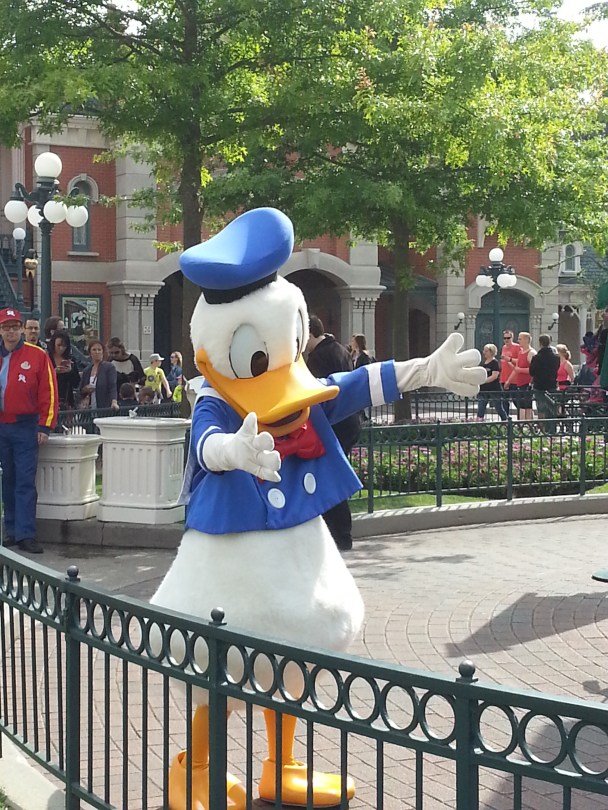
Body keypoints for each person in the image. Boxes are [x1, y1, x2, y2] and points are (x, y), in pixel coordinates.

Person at [0, 307, 58, 554]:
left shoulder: (37, 355)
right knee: (7, 479)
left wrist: (45, 425)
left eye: (15, 327)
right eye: (6, 327)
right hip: (2, 425)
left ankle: (26, 534)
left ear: (22, 329)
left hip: (25, 426)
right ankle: (11, 530)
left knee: (24, 480)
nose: (11, 332)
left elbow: (49, 391)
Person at [306, 315, 361, 551]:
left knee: (329, 477)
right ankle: (338, 533)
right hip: (349, 421)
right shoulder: (339, 349)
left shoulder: (319, 357)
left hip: (336, 423)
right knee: (331, 476)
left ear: (310, 334)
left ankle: (340, 534)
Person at [505, 331, 536, 420]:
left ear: (527, 340)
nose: (518, 341)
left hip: (527, 384)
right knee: (521, 406)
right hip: (520, 383)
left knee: (527, 405)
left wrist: (520, 370)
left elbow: (534, 370)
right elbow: (516, 369)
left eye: (520, 339)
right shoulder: (521, 352)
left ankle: (528, 424)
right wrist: (508, 381)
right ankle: (521, 424)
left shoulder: (531, 353)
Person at [529, 334, 560, 422]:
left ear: (540, 343)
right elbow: (556, 369)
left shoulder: (536, 358)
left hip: (539, 385)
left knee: (541, 408)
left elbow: (531, 372)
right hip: (551, 384)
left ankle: (542, 427)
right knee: (551, 407)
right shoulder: (556, 358)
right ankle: (552, 427)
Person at [80, 340, 119, 410]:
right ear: (90, 353)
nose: (97, 352)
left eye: (99, 350)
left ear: (103, 352)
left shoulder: (109, 367)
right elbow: (80, 390)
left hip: (104, 406)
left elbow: (112, 386)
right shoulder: (86, 370)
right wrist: (86, 389)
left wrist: (114, 402)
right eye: (94, 350)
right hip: (89, 407)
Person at [47, 330, 81, 410]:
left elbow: (76, 383)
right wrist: (54, 372)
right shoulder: (47, 358)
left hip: (66, 400)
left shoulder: (70, 359)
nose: (61, 348)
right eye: (58, 345)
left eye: (64, 346)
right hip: (49, 399)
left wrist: (70, 372)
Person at [476, 344, 508, 421]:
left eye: (486, 351)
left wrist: (483, 381)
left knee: (499, 407)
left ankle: (505, 422)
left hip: (494, 389)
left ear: (491, 352)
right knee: (481, 407)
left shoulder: (495, 363)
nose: (484, 352)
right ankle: (479, 422)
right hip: (483, 389)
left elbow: (494, 376)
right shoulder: (483, 363)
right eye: (484, 350)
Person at [499, 329, 520, 415]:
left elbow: (520, 361)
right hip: (504, 378)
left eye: (508, 338)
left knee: (516, 401)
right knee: (504, 401)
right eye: (505, 338)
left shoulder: (517, 347)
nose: (506, 340)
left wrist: (510, 359)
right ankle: (506, 419)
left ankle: (522, 417)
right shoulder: (503, 348)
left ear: (512, 338)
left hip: (514, 379)